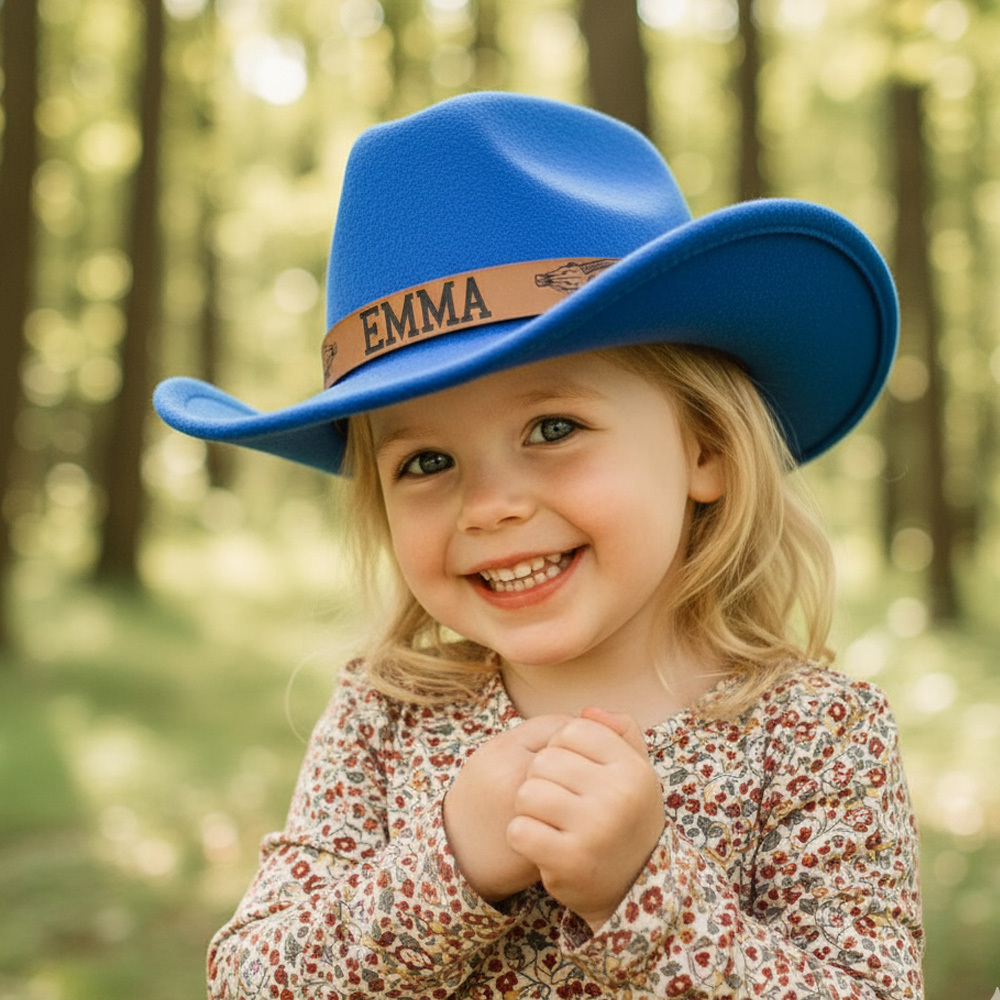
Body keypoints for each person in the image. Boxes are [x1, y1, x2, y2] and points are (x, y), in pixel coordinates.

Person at [155, 92, 923, 999]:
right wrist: (447, 862)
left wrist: (646, 891)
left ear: (704, 449)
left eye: (553, 428)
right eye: (427, 460)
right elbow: (249, 981)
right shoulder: (388, 715)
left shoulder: (814, 735)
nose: (489, 506)